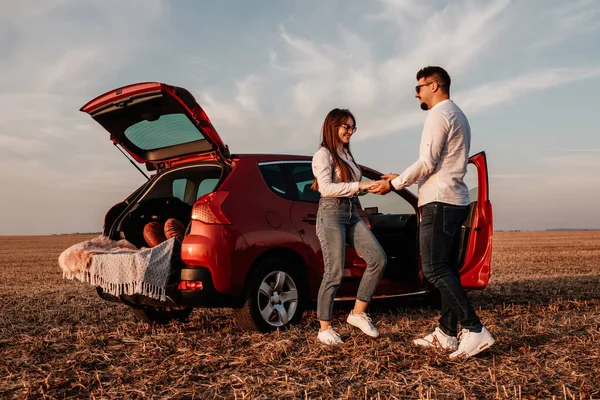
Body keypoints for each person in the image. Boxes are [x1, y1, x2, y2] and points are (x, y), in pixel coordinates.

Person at [369, 66, 494, 358]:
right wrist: (397, 177)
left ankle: (474, 329)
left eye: (420, 87)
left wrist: (395, 184)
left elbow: (426, 163)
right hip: (454, 199)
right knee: (447, 268)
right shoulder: (458, 114)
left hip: (439, 201)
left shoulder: (438, 115)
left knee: (434, 269)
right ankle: (447, 333)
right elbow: (438, 163)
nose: (417, 93)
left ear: (435, 85)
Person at [311, 108, 387, 345]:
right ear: (332, 126)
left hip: (350, 211)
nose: (350, 131)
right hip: (331, 213)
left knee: (378, 259)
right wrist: (360, 186)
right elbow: (326, 188)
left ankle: (358, 313)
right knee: (333, 272)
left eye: (352, 127)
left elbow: (353, 186)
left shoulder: (346, 155)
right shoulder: (323, 154)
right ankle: (324, 328)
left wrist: (371, 187)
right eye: (345, 126)